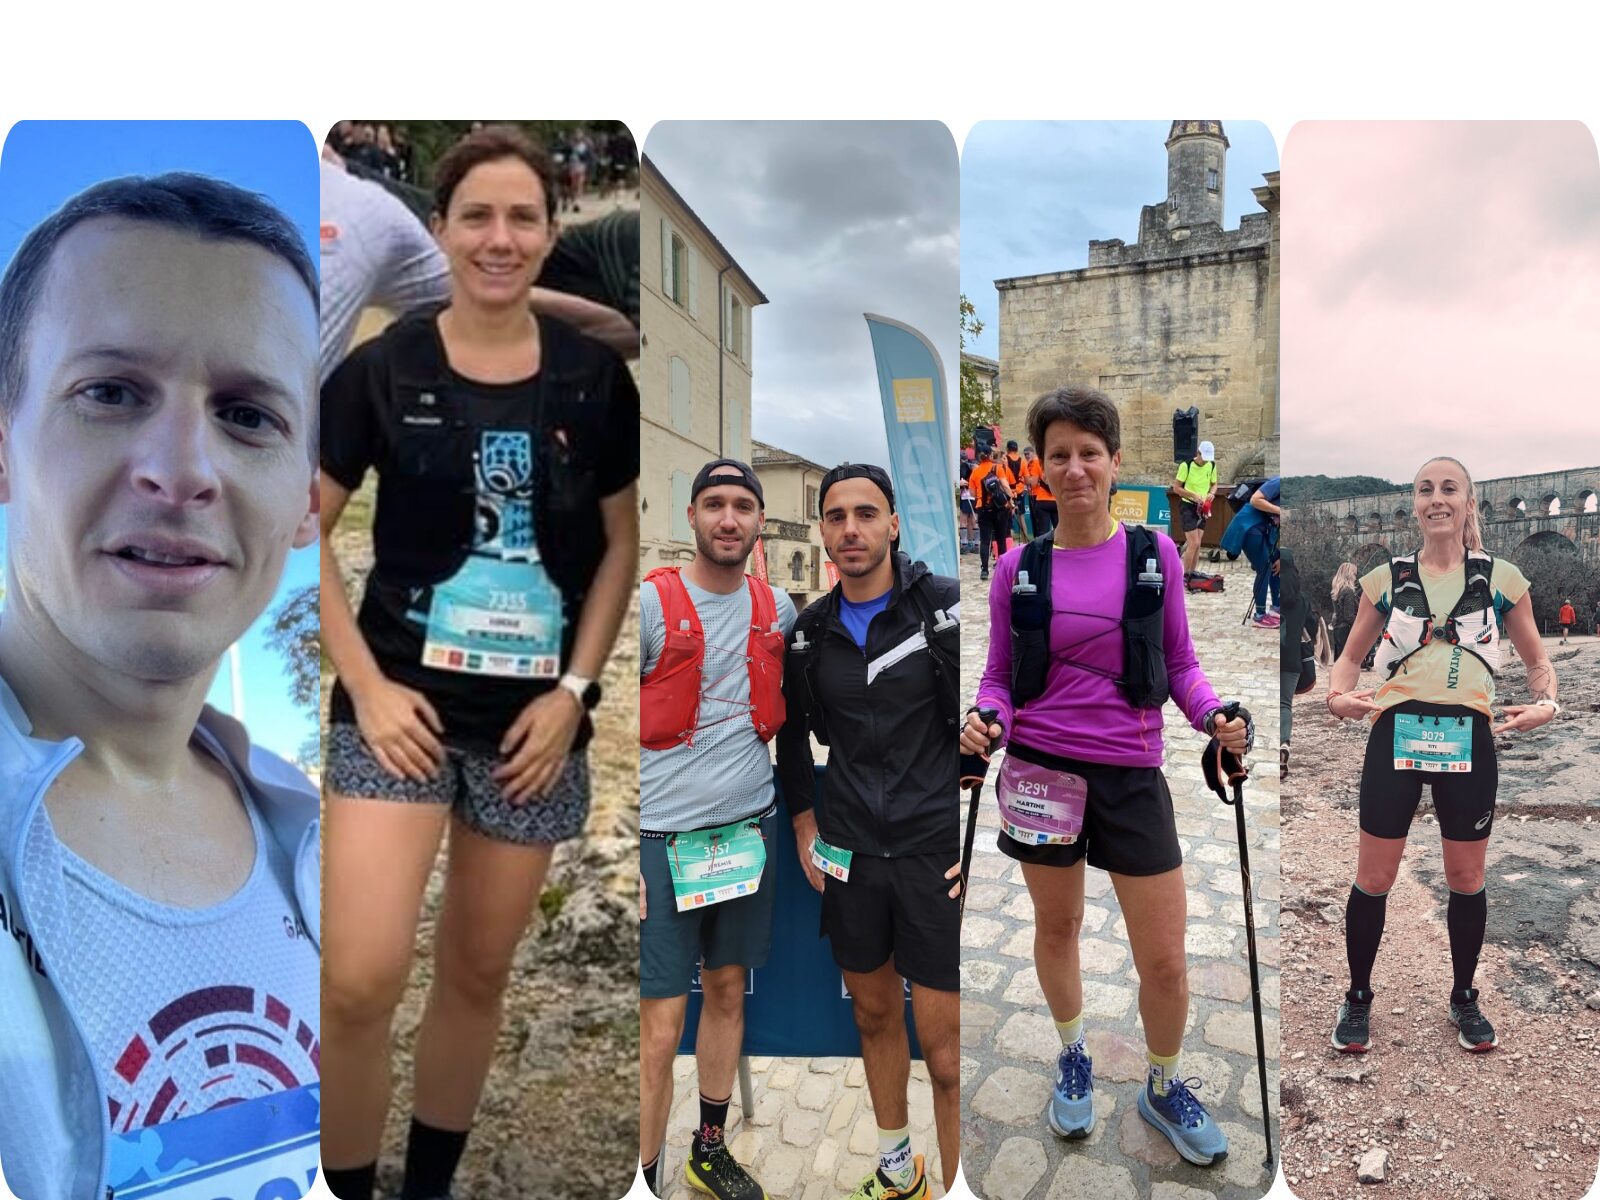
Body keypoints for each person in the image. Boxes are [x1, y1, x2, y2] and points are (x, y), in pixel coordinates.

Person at [318, 126, 638, 1200]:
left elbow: (622, 545)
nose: (499, 238)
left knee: (476, 971)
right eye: (476, 216)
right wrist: (364, 685)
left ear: (551, 234)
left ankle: (428, 1187)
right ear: (440, 231)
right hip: (394, 713)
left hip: (530, 737)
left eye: (522, 217)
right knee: (359, 981)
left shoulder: (596, 383)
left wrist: (574, 694)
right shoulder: (380, 369)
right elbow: (295, 533)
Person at [0, 173, 321, 1200]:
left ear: (307, 500)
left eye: (247, 414)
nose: (181, 469)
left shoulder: (313, 835)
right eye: (110, 392)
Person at [962, 386, 1250, 1167]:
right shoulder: (1018, 569)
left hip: (1130, 774)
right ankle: (1073, 1053)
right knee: (1057, 929)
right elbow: (998, 678)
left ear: (1116, 463)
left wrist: (1213, 718)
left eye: (1090, 453)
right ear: (1041, 470)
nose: (1076, 467)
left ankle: (1161, 1084)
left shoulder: (1153, 556)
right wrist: (985, 720)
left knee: (1165, 957)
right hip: (1041, 776)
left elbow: (1182, 665)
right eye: (1059, 454)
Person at [1326, 457, 1558, 1057]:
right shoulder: (1386, 579)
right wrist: (1335, 695)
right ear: (1415, 504)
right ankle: (1357, 998)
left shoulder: (1504, 579)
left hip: (1469, 736)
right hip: (1395, 733)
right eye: (1425, 490)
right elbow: (1350, 657)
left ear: (1468, 503)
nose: (1437, 499)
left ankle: (1463, 996)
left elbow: (1538, 663)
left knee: (1466, 877)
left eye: (1448, 489)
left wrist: (1547, 705)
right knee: (1374, 877)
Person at [777, 464, 961, 1200]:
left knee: (947, 1055)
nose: (850, 528)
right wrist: (802, 824)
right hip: (850, 851)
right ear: (823, 531)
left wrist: (973, 840)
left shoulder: (944, 611)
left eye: (865, 513)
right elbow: (792, 737)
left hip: (929, 852)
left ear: (892, 524)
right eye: (835, 516)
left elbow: (991, 723)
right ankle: (897, 1170)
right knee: (877, 1016)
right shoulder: (810, 632)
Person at [637, 459, 797, 1200]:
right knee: (659, 1025)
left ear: (758, 520)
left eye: (742, 505)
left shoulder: (780, 608)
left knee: (728, 992)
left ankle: (708, 1147)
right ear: (692, 517)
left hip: (741, 837)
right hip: (658, 844)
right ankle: (640, 1177)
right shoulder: (647, 606)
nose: (728, 518)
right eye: (713, 505)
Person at [1221, 476, 1281, 628]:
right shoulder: (1279, 482)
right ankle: (1260, 616)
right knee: (1264, 568)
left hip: (1267, 530)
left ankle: (1277, 608)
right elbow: (1255, 500)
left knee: (1277, 563)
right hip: (1250, 527)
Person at [969, 444, 1016, 582]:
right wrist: (1011, 501)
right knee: (1001, 538)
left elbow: (972, 493)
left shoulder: (975, 472)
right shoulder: (997, 468)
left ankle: (984, 570)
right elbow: (1006, 486)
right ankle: (1002, 569)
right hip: (999, 508)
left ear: (979, 457)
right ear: (990, 455)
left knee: (985, 541)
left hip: (982, 508)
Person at [1174, 441, 1219, 580]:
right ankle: (1185, 575)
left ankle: (1192, 574)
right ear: (1198, 453)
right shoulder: (1186, 466)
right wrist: (1193, 495)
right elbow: (1177, 488)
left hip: (1203, 507)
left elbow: (1214, 484)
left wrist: (1212, 493)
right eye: (1204, 458)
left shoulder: (1211, 465)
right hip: (1188, 505)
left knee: (1198, 543)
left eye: (1208, 459)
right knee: (1193, 543)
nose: (1206, 461)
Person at [1025, 443, 1057, 540]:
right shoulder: (1054, 461)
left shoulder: (1036, 462)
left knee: (1043, 532)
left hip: (1042, 499)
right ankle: (1059, 552)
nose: (1026, 456)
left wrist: (1026, 479)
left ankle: (1044, 553)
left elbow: (1033, 483)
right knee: (1058, 530)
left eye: (1028, 454)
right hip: (1056, 499)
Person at [1330, 562, 1359, 661]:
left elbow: (1337, 613)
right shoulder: (1348, 592)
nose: (1355, 577)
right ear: (1349, 575)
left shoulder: (1337, 591)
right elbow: (1349, 616)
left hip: (1337, 628)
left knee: (1339, 661)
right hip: (1346, 631)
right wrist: (1362, 623)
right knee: (1346, 662)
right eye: (1354, 574)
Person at [1004, 439, 1031, 539]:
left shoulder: (1004, 460)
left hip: (1007, 491)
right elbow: (1028, 480)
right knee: (1021, 516)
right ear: (1017, 449)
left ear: (1008, 449)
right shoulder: (1023, 462)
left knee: (1008, 517)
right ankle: (1025, 540)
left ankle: (1009, 541)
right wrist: (1021, 481)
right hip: (1019, 491)